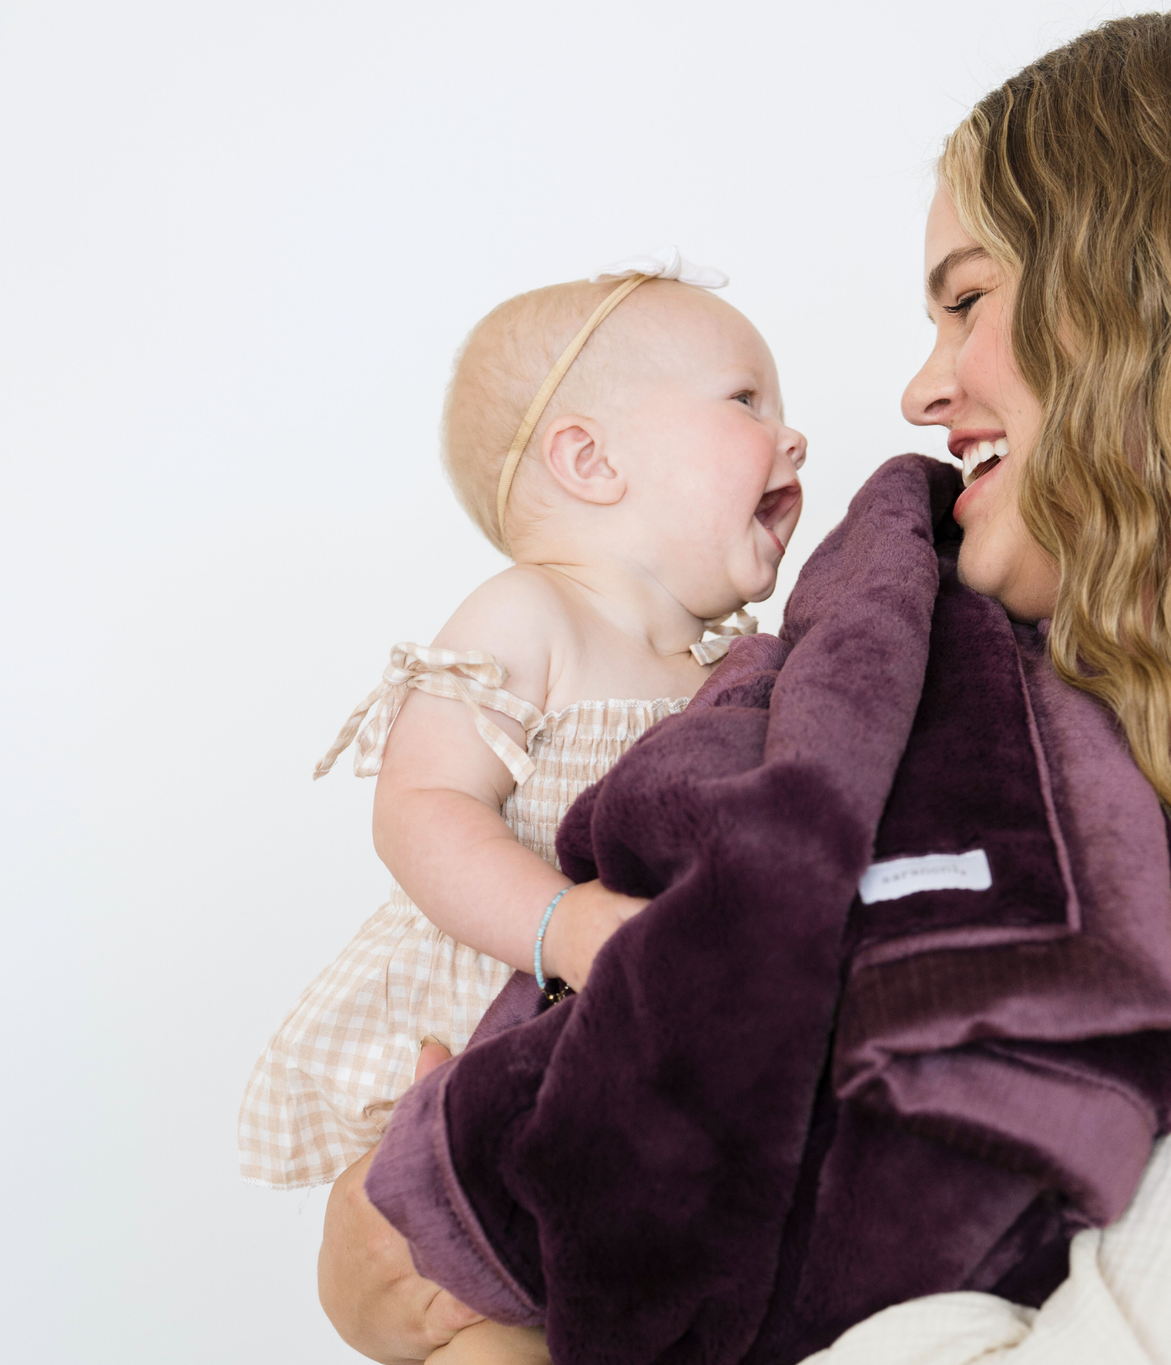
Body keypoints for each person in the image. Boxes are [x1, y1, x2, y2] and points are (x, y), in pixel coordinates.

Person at [320, 8, 1171, 1365]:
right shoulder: (994, 738)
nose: (919, 387)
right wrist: (453, 1203)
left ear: (1156, 300)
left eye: (967, 300)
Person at [239, 250, 806, 1189]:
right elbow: (418, 806)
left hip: (638, 1051)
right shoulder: (529, 614)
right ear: (591, 459)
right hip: (487, 1028)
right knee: (485, 1304)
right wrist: (563, 923)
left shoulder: (730, 668)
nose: (793, 439)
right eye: (746, 401)